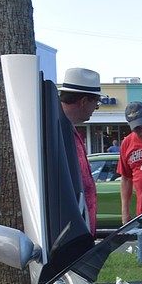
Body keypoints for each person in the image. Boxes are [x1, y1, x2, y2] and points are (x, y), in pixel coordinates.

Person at [58, 68, 102, 236]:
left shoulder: (68, 129)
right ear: (84, 101)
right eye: (96, 103)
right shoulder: (56, 131)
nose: (95, 109)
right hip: (68, 234)